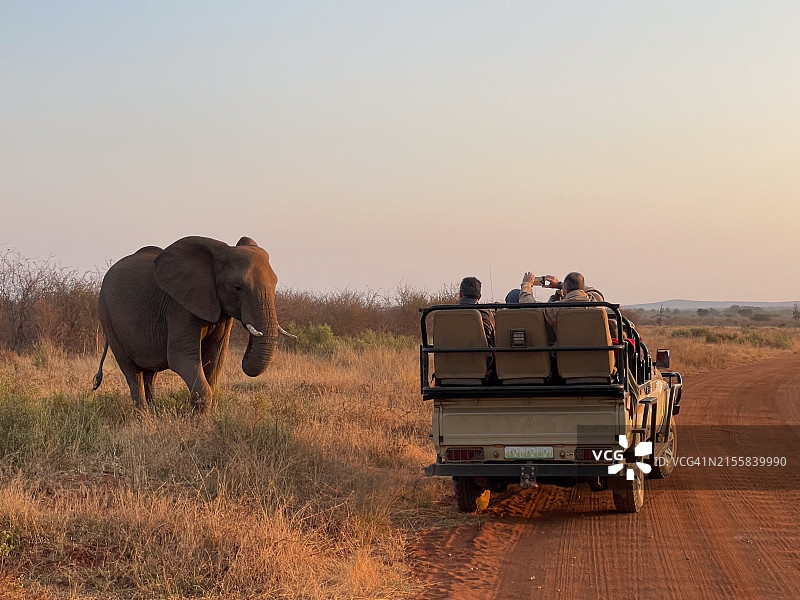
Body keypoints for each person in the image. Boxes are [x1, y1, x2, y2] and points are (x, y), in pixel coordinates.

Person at [459, 276, 495, 345]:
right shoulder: (485, 314)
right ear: (479, 297)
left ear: (461, 294)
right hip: (481, 354)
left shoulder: (444, 314)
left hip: (449, 355)